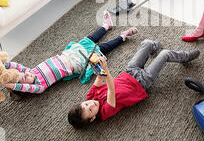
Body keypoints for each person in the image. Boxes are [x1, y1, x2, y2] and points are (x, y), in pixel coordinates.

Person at [68, 39, 200, 128]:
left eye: (86, 104)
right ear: (93, 118)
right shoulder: (104, 112)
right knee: (165, 54)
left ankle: (152, 48)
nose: (91, 104)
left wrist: (99, 67)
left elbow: (100, 78)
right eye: (91, 110)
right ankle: (185, 56)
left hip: (128, 72)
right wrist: (106, 70)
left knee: (147, 43)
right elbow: (111, 89)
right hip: (142, 82)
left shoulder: (91, 96)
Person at [0, 11, 138, 94]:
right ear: (26, 85)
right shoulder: (39, 86)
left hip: (68, 54)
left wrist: (3, 64)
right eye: (25, 78)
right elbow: (20, 86)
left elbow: (16, 66)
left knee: (89, 39)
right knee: (101, 48)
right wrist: (6, 84)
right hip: (76, 63)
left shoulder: (32, 71)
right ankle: (123, 36)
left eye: (25, 74)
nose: (27, 74)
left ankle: (106, 26)